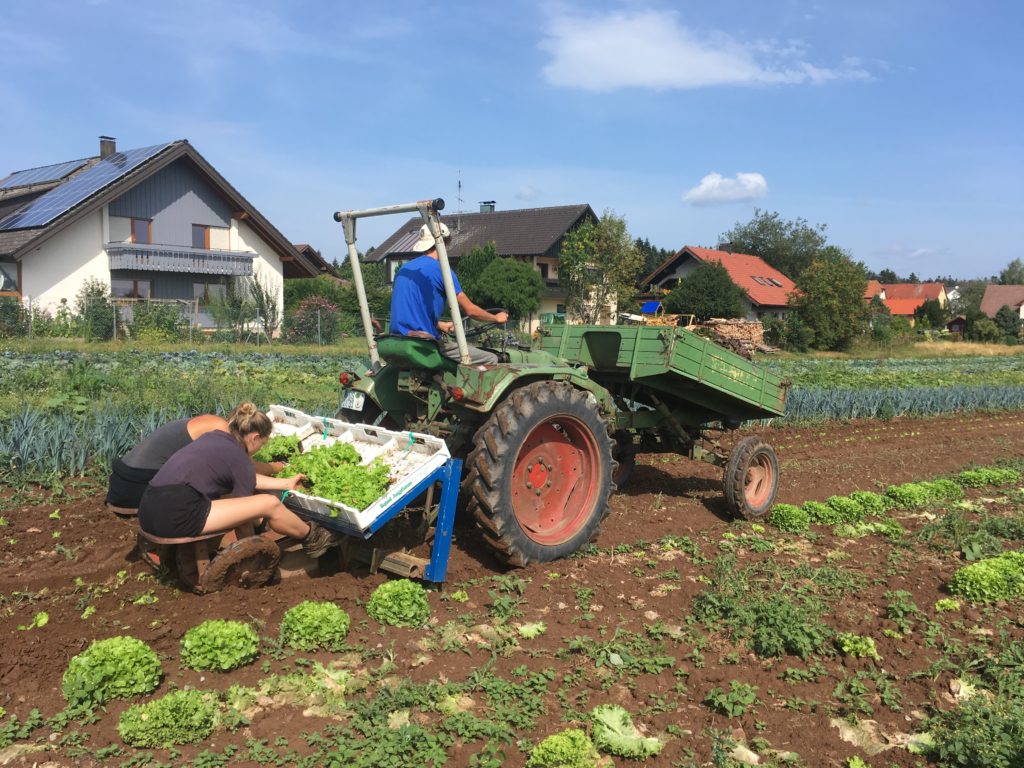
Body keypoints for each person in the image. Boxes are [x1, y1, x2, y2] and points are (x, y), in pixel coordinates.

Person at [137, 403, 337, 558]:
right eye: (263, 443)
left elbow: (246, 478)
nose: (261, 449)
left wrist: (285, 483)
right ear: (255, 437)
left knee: (235, 496)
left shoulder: (215, 438)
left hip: (150, 508)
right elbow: (244, 519)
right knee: (270, 504)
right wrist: (252, 549)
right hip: (177, 515)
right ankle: (313, 537)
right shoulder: (238, 457)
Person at [106, 413, 284, 510]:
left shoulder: (214, 422)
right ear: (255, 437)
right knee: (225, 489)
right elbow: (247, 469)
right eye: (263, 443)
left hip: (122, 478)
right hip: (138, 486)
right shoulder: (222, 433)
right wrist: (276, 467)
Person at [389, 222, 509, 365]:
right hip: (423, 344)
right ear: (444, 243)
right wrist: (496, 318)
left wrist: (439, 325)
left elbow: (412, 311)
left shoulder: (404, 269)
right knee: (491, 358)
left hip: (397, 340)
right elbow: (470, 310)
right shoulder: (442, 270)